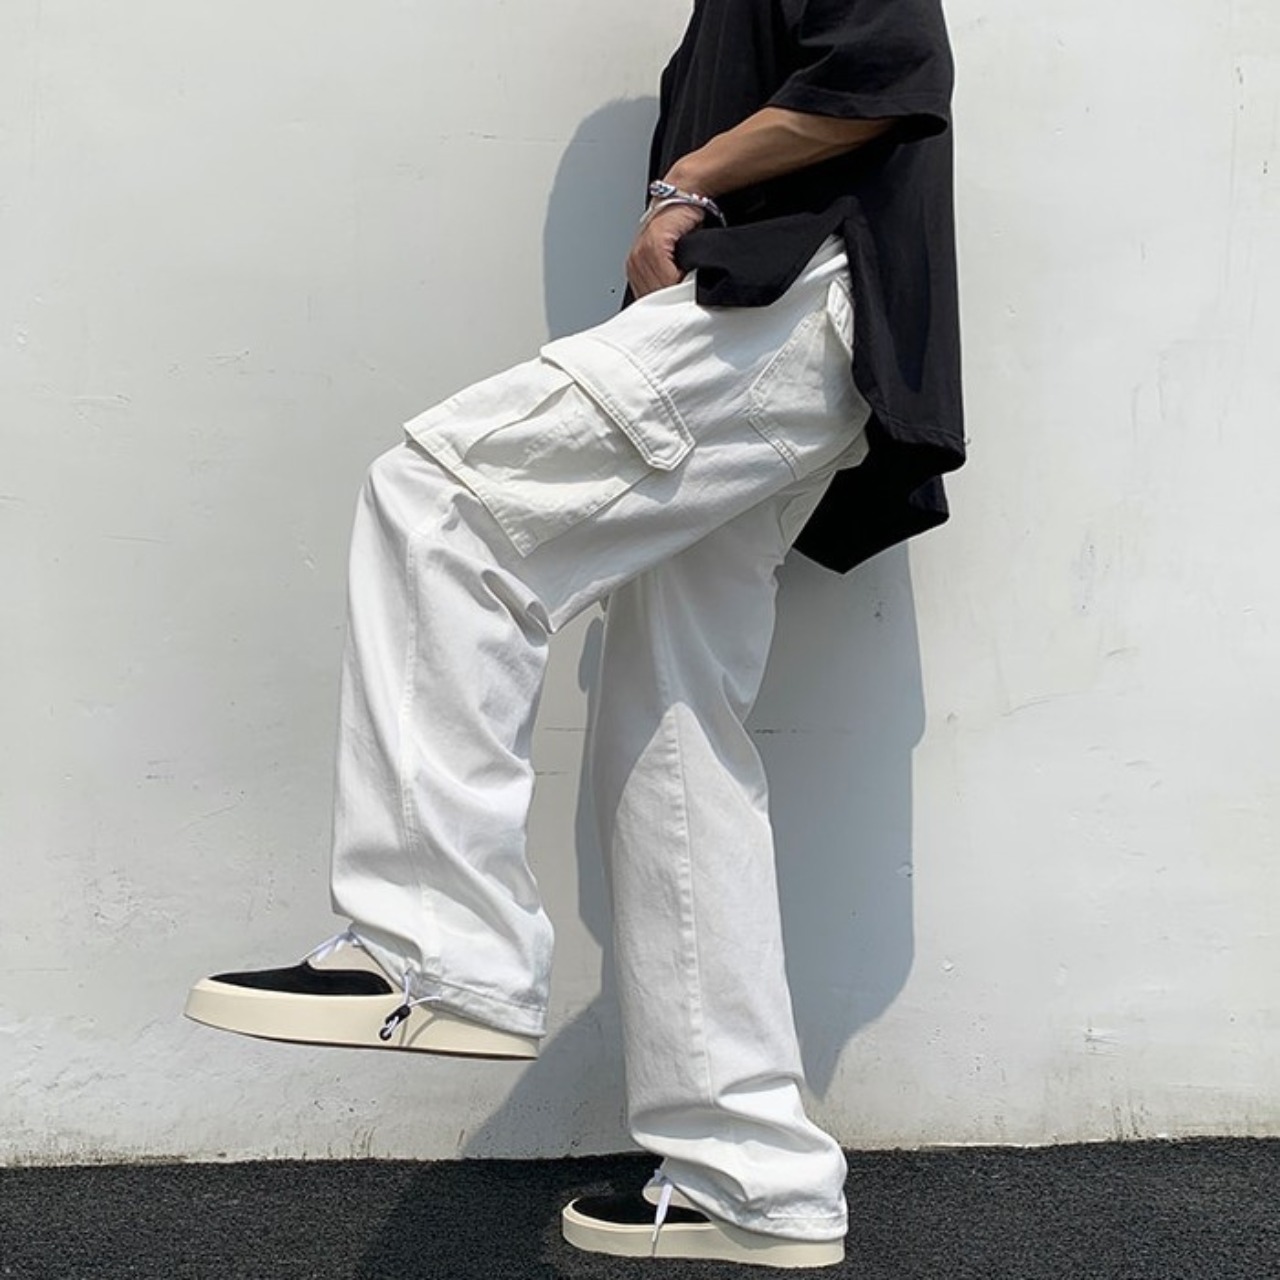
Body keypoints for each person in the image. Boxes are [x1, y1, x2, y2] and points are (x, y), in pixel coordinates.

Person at [184, 0, 964, 1267]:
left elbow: (891, 68)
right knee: (672, 728)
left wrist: (687, 181)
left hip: (784, 306)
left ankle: (437, 946)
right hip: (795, 339)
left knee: (439, 500)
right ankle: (748, 1173)